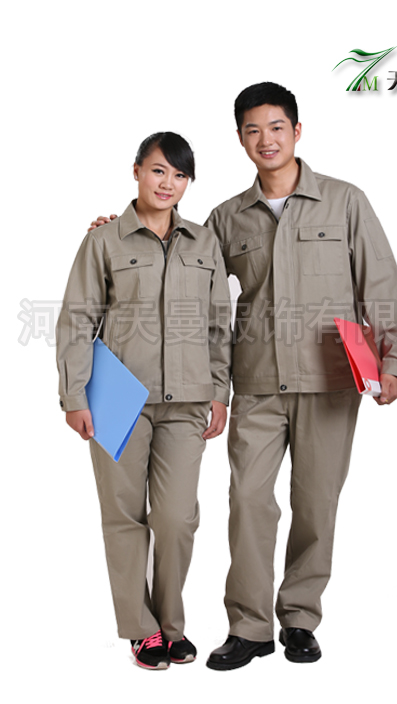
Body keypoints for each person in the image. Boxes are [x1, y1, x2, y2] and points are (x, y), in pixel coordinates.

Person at [89, 82, 397, 670]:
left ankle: (299, 618)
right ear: (240, 138)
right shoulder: (225, 218)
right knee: (249, 503)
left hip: (331, 381)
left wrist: (392, 360)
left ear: (297, 131)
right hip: (256, 382)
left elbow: (381, 281)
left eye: (277, 127)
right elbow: (176, 257)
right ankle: (250, 626)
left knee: (316, 504)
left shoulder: (344, 201)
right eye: (253, 130)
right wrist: (119, 230)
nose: (266, 139)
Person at [56, 132, 232, 670]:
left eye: (179, 175)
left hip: (186, 402)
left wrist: (219, 391)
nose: (168, 183)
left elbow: (218, 325)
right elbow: (77, 320)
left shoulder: (204, 242)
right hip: (116, 397)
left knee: (177, 519)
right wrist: (73, 394)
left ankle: (172, 625)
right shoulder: (103, 240)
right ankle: (141, 628)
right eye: (158, 170)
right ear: (136, 171)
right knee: (124, 516)